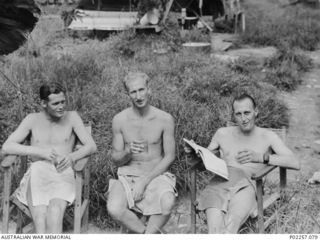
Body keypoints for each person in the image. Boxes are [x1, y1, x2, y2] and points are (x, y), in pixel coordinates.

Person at [185, 93, 300, 233]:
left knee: (229, 229)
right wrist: (194, 153)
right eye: (238, 114)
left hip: (247, 185)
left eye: (247, 113)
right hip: (219, 184)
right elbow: (204, 163)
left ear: (256, 112)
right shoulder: (222, 133)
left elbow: (294, 162)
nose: (243, 119)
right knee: (214, 231)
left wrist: (261, 157)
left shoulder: (268, 136)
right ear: (234, 116)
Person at [1, 82, 97, 233]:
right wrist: (40, 151)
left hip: (62, 171)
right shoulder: (32, 119)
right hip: (38, 172)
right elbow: (7, 146)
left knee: (55, 212)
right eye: (56, 103)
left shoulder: (72, 117)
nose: (61, 107)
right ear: (43, 103)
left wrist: (72, 157)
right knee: (40, 219)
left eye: (63, 102)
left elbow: (91, 146)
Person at [107, 72, 176, 234]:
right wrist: (128, 152)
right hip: (128, 175)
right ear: (127, 94)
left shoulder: (164, 119)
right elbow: (116, 160)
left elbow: (170, 156)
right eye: (133, 92)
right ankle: (147, 233)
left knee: (167, 204)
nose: (138, 96)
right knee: (114, 208)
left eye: (141, 90)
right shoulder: (120, 120)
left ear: (149, 90)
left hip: (155, 175)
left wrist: (144, 181)